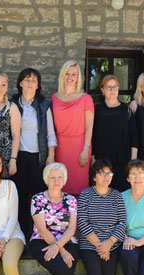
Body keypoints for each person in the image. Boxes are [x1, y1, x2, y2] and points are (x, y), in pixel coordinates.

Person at [78, 159, 127, 275]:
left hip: (111, 246)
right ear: (94, 176)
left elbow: (122, 222)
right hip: (90, 245)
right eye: (102, 173)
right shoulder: (85, 195)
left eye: (109, 173)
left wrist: (109, 243)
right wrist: (100, 245)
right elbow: (82, 222)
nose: (106, 177)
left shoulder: (117, 196)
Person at [9, 68, 57, 243]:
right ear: (20, 83)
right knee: (20, 198)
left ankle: (38, 236)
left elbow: (50, 134)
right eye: (27, 80)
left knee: (38, 198)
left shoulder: (44, 105)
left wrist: (51, 156)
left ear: (38, 85)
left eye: (34, 81)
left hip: (39, 158)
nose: (30, 83)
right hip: (19, 157)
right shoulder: (12, 104)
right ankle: (22, 237)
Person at [51, 60, 95, 194]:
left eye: (73, 74)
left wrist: (86, 149)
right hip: (60, 147)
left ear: (78, 78)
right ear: (62, 76)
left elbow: (89, 126)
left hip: (79, 147)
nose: (70, 77)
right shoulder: (54, 98)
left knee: (79, 186)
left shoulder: (86, 98)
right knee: (60, 184)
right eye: (67, 73)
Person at [91, 75, 139, 192]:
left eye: (115, 87)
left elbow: (134, 136)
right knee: (102, 192)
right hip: (101, 161)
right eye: (109, 87)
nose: (112, 90)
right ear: (102, 90)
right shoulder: (96, 110)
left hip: (122, 161)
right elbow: (92, 136)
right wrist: (92, 158)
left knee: (121, 193)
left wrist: (133, 161)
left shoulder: (126, 110)